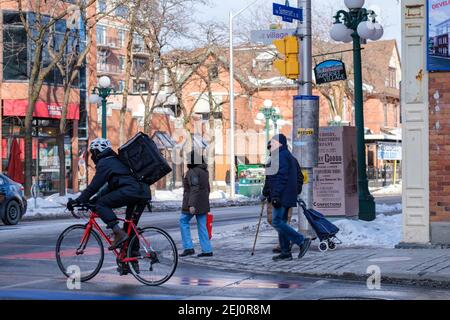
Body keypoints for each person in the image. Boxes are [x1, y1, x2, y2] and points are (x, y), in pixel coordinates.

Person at [66, 138, 151, 251]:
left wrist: (78, 201)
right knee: (130, 228)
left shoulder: (105, 162)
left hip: (132, 192)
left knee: (101, 205)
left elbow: (94, 186)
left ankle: (117, 232)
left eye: (93, 152)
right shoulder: (115, 160)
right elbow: (110, 187)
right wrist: (93, 199)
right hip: (142, 193)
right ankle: (130, 262)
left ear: (97, 151)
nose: (92, 156)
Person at [264, 134, 311, 261]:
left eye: (273, 143)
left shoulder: (281, 156)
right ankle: (285, 252)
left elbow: (281, 177)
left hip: (281, 196)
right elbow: (299, 177)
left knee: (277, 221)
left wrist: (276, 195)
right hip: (286, 195)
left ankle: (301, 241)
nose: (270, 146)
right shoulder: (289, 157)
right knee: (282, 222)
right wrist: (294, 191)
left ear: (280, 144)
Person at [179, 151, 213, 258]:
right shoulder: (204, 171)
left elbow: (194, 189)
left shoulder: (192, 172)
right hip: (203, 202)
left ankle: (188, 247)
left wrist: (191, 205)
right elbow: (208, 188)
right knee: (202, 226)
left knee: (183, 221)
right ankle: (207, 250)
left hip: (192, 202)